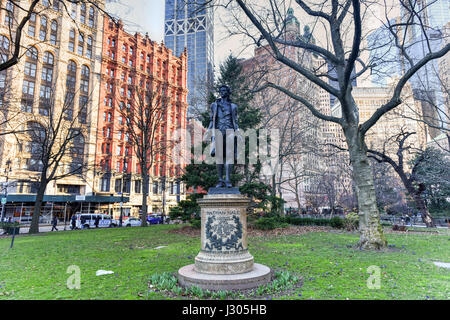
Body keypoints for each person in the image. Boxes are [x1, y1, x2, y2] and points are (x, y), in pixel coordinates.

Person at [207, 85, 240, 188]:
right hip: (218, 132)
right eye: (221, 91)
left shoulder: (233, 106)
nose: (222, 92)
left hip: (230, 131)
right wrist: (208, 131)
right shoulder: (214, 105)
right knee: (219, 157)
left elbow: (235, 121)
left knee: (229, 156)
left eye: (225, 90)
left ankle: (228, 180)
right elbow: (212, 120)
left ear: (228, 92)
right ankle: (220, 180)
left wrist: (238, 133)